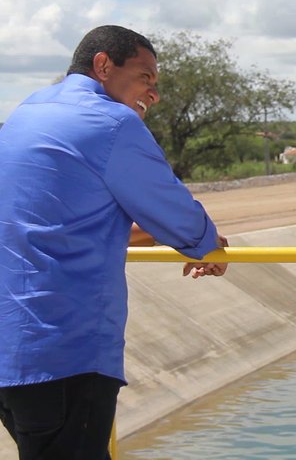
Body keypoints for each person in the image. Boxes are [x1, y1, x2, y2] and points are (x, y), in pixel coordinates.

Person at [0, 25, 228, 460]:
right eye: (145, 77)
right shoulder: (110, 122)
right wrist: (209, 246)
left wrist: (186, 237)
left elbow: (65, 223)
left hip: (11, 353)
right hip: (64, 354)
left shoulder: (26, 112)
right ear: (103, 65)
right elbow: (179, 216)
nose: (153, 94)